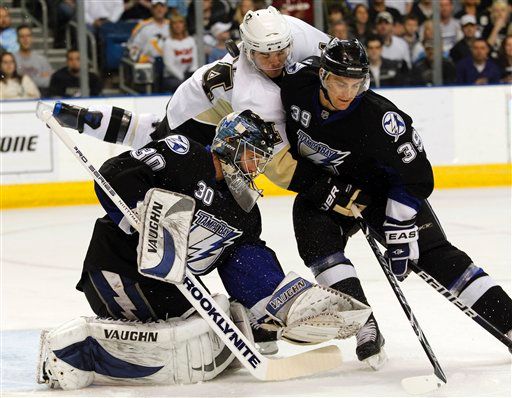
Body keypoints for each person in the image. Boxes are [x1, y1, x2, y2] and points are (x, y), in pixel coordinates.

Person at [37, 105, 371, 390]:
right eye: (255, 156)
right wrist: (144, 215)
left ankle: (280, 304)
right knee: (183, 345)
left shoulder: (246, 212)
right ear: (232, 146)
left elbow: (243, 262)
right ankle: (75, 349)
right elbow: (115, 173)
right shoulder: (184, 153)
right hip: (117, 272)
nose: (259, 168)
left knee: (211, 334)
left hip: (168, 292)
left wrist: (267, 308)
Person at [276, 37, 512, 368]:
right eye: (340, 82)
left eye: (355, 84)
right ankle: (363, 323)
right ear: (322, 76)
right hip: (330, 187)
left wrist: (399, 226)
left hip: (384, 193)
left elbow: (418, 177)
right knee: (314, 236)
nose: (347, 92)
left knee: (436, 257)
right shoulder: (296, 85)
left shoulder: (380, 119)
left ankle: (509, 322)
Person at [14, 24, 53, 96]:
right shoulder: (12, 59)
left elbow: (49, 82)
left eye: (28, 36)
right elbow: (9, 83)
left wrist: (23, 79)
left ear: (32, 38)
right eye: (22, 36)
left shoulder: (42, 60)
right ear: (17, 39)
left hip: (40, 96)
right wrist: (39, 77)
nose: (25, 39)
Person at [162, 14, 198, 92]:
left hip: (189, 75)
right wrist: (183, 79)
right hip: (173, 77)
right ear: (171, 26)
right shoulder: (168, 43)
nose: (178, 25)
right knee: (180, 85)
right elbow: (169, 65)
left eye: (180, 23)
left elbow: (195, 62)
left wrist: (192, 77)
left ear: (184, 25)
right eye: (175, 23)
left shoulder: (190, 40)